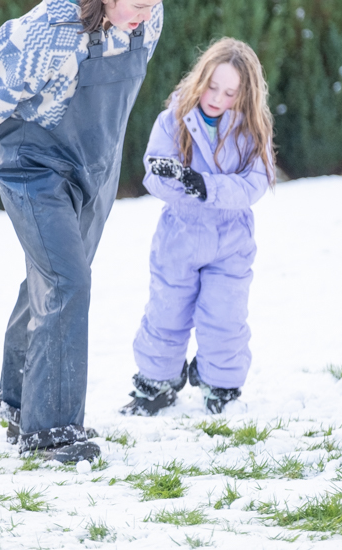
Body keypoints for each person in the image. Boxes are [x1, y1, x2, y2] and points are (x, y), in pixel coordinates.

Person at [0, 0, 174, 463]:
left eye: (155, 4)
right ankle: (49, 432)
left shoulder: (145, 23)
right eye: (139, 5)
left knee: (52, 281)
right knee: (67, 282)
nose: (149, 15)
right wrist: (1, 133)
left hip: (94, 168)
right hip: (33, 169)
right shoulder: (50, 29)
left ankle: (17, 401)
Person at [121, 37, 275, 416]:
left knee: (225, 315)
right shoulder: (174, 120)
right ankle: (156, 384)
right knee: (167, 311)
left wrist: (206, 186)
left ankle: (221, 386)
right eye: (212, 86)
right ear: (201, 78)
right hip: (180, 237)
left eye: (230, 92)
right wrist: (174, 177)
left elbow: (254, 185)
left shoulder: (251, 130)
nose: (217, 98)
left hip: (231, 240)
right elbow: (154, 175)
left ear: (245, 94)